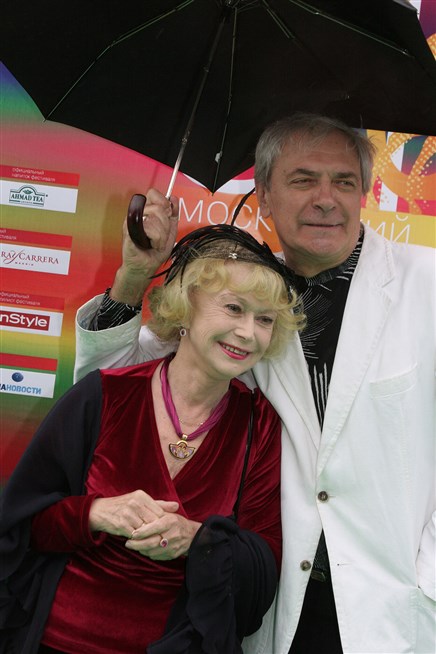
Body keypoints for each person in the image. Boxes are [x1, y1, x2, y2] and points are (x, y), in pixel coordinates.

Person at [73, 112, 435, 654]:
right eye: (303, 179)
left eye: (343, 181)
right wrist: (135, 274)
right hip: (277, 602)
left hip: (400, 603)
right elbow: (110, 386)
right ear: (264, 195)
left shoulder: (428, 282)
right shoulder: (244, 295)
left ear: (364, 192)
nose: (325, 199)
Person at [0, 225, 305, 654]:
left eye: (265, 319)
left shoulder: (261, 425)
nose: (248, 332)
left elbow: (262, 572)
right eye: (234, 308)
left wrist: (197, 540)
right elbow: (20, 525)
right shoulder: (104, 394)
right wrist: (95, 513)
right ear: (185, 306)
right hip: (53, 641)